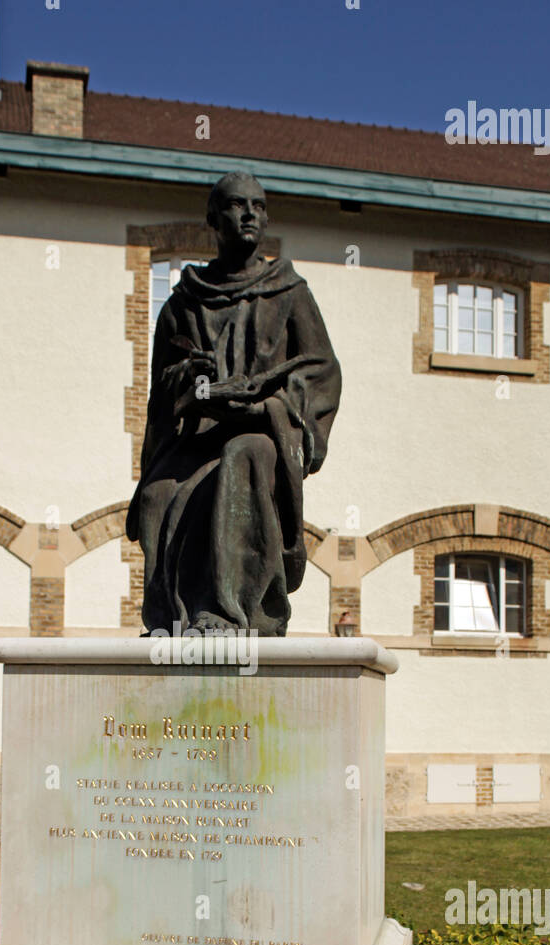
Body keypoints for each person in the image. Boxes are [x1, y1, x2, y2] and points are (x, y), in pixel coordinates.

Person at [125, 171, 342, 636]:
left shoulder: (289, 291)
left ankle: (234, 613)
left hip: (265, 431)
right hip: (199, 433)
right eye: (237, 205)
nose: (250, 215)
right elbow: (163, 387)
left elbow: (320, 371)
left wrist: (271, 403)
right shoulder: (184, 303)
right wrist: (193, 381)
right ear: (213, 219)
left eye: (259, 207)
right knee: (160, 491)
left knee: (241, 455)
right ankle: (173, 618)